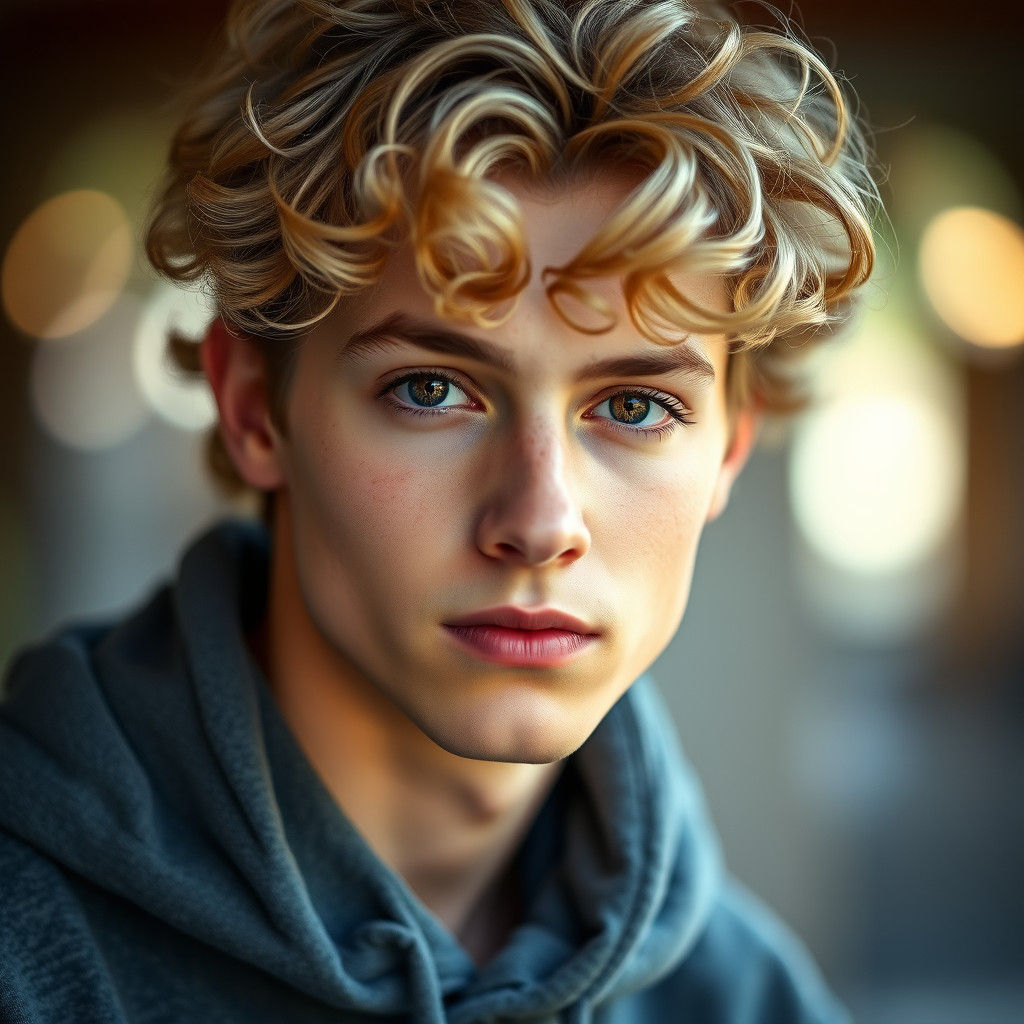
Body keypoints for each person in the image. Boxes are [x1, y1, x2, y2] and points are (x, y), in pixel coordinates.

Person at [0, 1, 877, 1021]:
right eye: (430, 389)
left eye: (634, 405)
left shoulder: (753, 999)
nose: (540, 520)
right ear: (253, 407)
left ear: (729, 441)